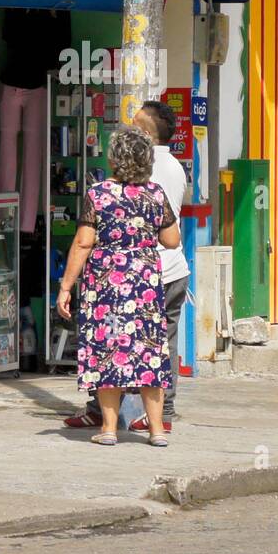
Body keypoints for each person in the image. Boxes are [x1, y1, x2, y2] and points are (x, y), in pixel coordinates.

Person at [55, 125, 180, 447]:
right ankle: (156, 431)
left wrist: (66, 286)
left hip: (106, 285)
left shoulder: (99, 194)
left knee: (108, 351)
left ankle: (109, 429)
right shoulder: (155, 194)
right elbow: (171, 239)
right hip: (144, 286)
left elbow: (83, 243)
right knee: (149, 354)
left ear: (114, 159)